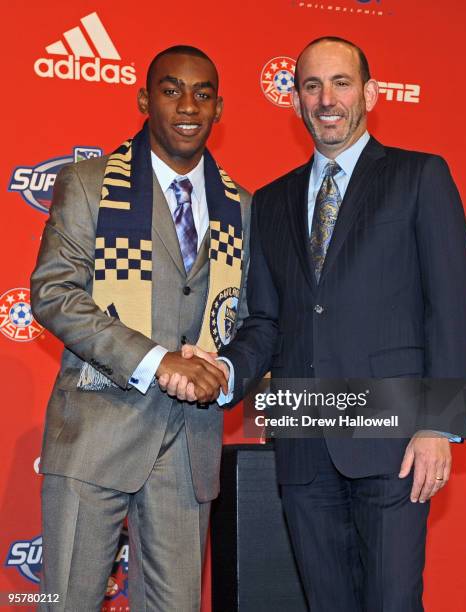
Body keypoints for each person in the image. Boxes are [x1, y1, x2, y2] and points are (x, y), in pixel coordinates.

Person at [172, 37, 466, 611]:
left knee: (391, 602)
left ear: (370, 93)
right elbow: (264, 320)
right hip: (303, 443)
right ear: (295, 102)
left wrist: (439, 426)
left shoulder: (420, 177)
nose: (326, 99)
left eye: (340, 83)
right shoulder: (271, 200)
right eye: (311, 86)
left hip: (394, 441)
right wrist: (227, 368)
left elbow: (453, 310)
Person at [30, 45, 250, 611]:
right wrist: (156, 361)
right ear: (143, 99)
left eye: (203, 94)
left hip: (189, 444)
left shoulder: (242, 207)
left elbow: (251, 321)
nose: (187, 105)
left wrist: (222, 371)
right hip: (96, 432)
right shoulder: (88, 183)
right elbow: (53, 293)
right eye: (171, 89)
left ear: (219, 108)